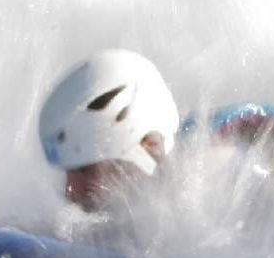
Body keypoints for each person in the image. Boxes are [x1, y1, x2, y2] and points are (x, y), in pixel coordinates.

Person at [38, 49, 180, 212]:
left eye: (85, 170)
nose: (70, 190)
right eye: (68, 172)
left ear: (146, 147)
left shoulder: (204, 186)